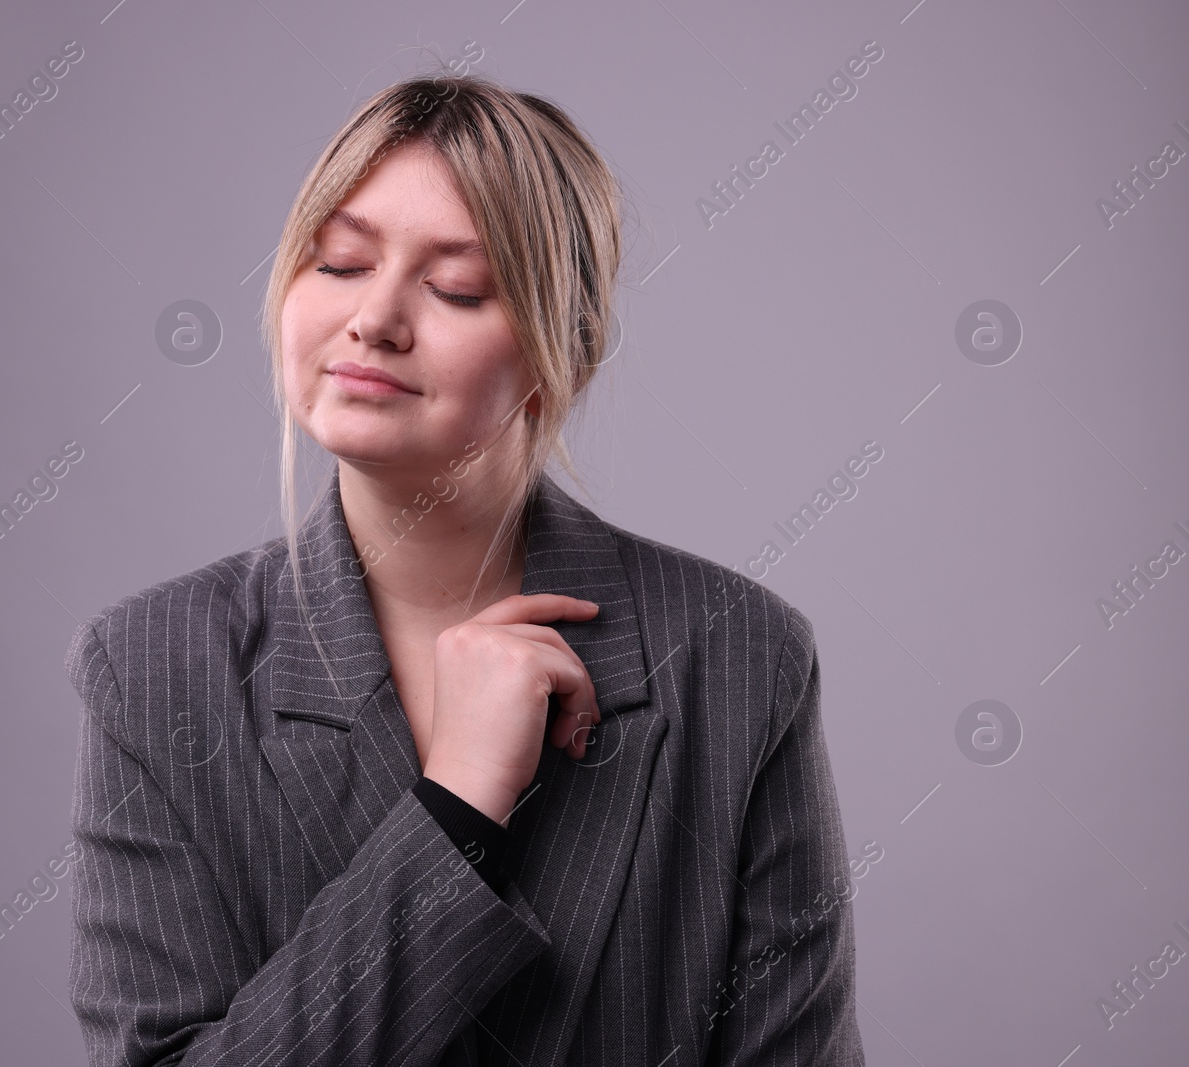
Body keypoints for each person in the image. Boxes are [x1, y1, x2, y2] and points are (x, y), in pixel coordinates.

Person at [64, 69, 864, 1066]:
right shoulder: (152, 665)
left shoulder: (738, 656)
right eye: (340, 262)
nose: (376, 318)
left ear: (556, 350)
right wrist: (454, 806)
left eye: (455, 287)